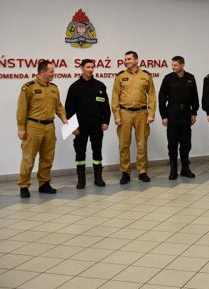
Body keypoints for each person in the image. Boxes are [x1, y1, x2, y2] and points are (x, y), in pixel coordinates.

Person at [16, 60, 68, 198]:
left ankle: (44, 183)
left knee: (47, 157)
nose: (53, 74)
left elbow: (59, 106)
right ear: (43, 72)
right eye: (51, 71)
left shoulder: (53, 88)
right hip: (33, 126)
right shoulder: (28, 87)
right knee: (28, 158)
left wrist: (63, 118)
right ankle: (24, 185)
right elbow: (22, 109)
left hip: (49, 126)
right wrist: (21, 128)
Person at [112, 51, 157, 184]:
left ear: (136, 60)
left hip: (142, 113)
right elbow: (115, 97)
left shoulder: (146, 75)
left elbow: (152, 95)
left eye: (129, 59)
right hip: (124, 113)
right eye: (125, 59)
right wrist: (116, 115)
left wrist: (151, 113)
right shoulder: (120, 76)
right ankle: (125, 172)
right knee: (123, 145)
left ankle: (142, 171)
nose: (126, 61)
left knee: (142, 144)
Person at [65, 59, 111, 189]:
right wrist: (72, 127)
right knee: (80, 153)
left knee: (97, 151)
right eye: (88, 67)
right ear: (81, 68)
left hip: (97, 125)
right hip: (80, 127)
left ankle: (98, 178)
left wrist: (105, 121)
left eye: (92, 67)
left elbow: (105, 106)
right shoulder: (74, 87)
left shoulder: (100, 86)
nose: (90, 69)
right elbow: (69, 109)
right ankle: (81, 180)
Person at [159, 56, 199, 180]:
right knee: (172, 143)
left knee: (186, 143)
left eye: (175, 65)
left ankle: (185, 169)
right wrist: (164, 116)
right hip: (172, 114)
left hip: (186, 114)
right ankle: (173, 170)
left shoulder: (190, 78)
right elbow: (161, 98)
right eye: (172, 65)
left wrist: (194, 113)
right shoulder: (168, 79)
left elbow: (195, 98)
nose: (173, 67)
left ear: (182, 65)